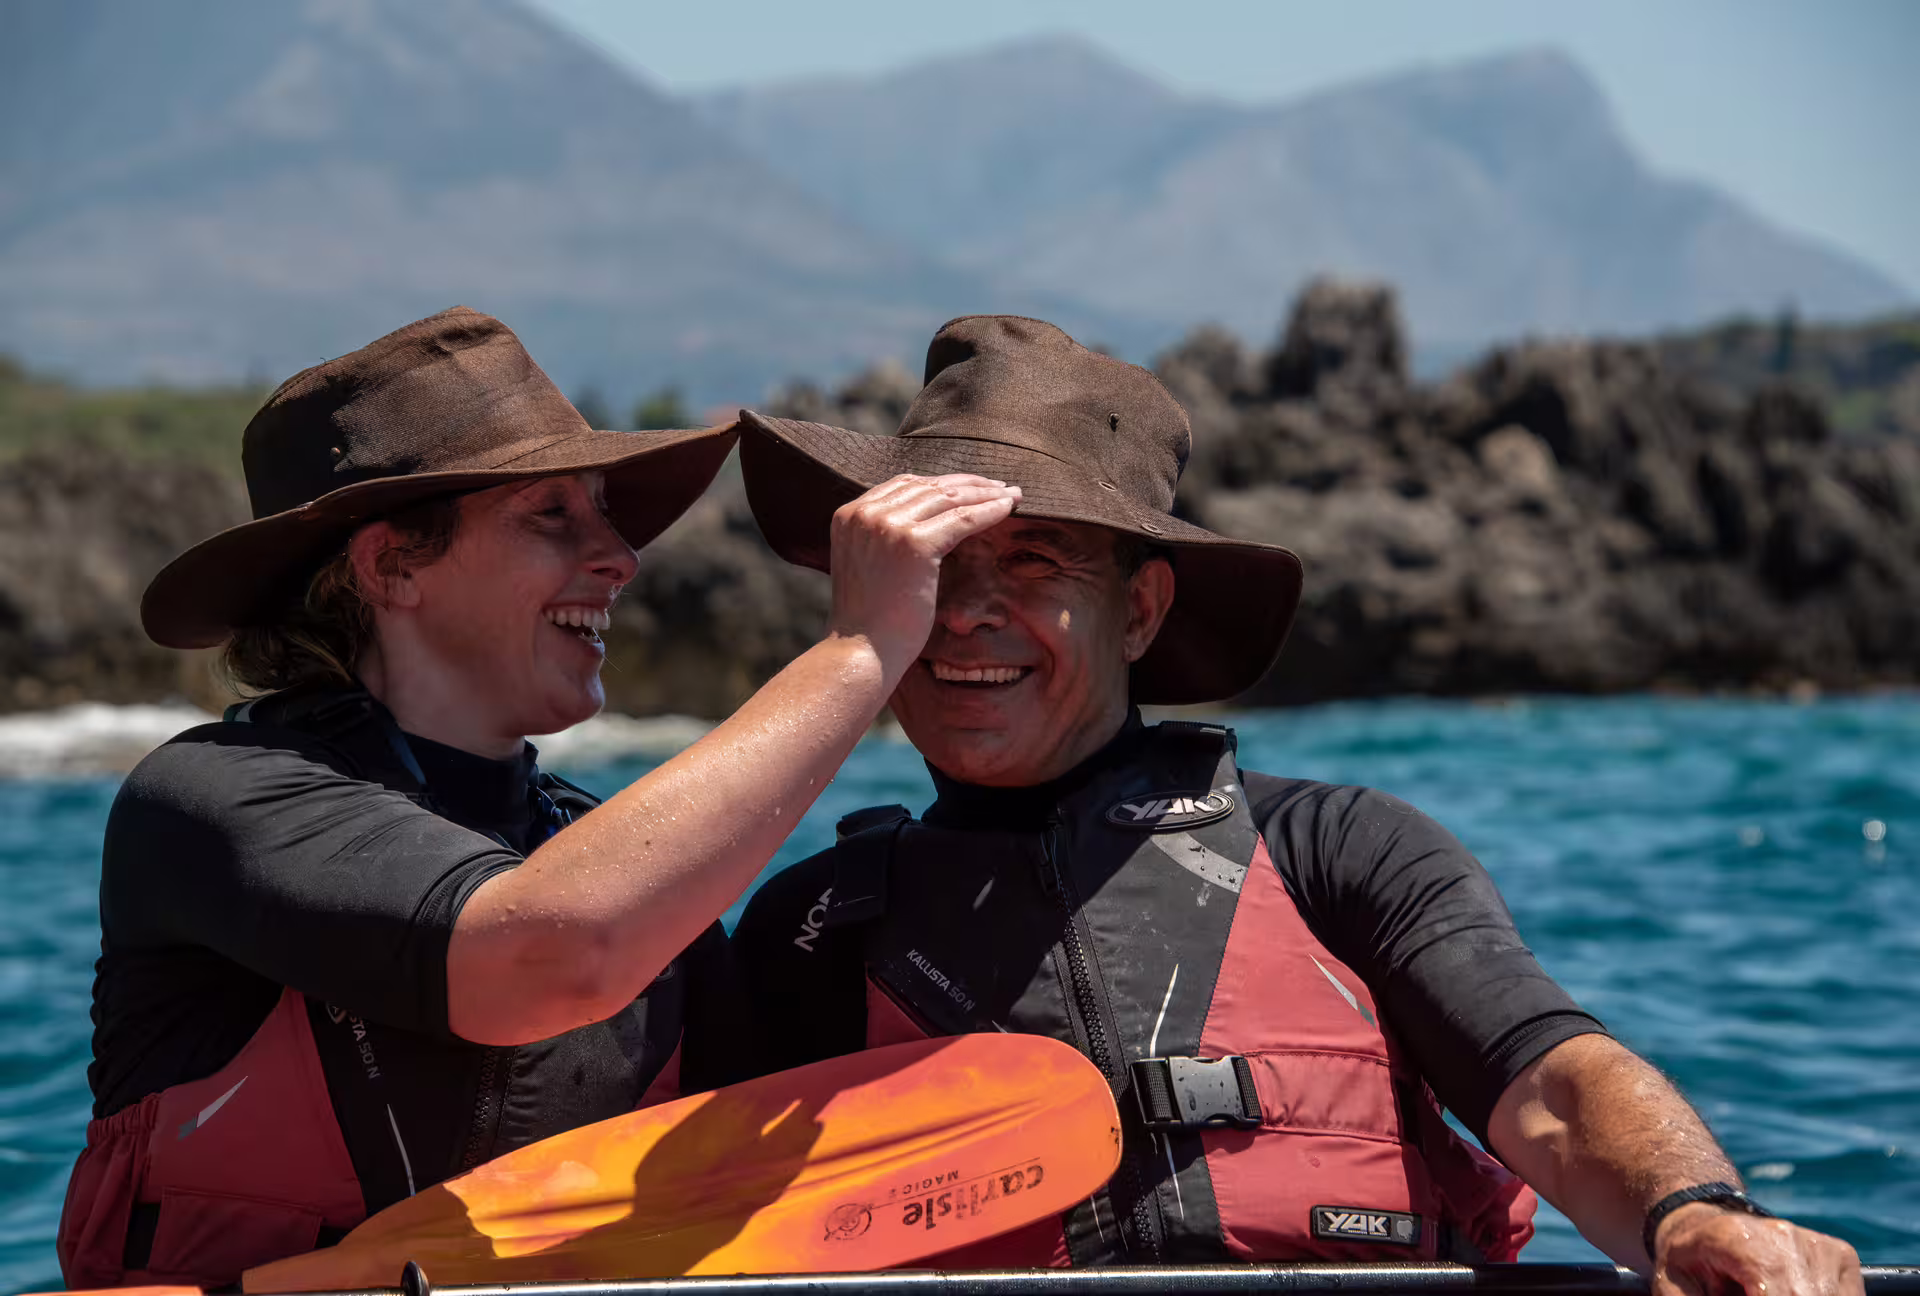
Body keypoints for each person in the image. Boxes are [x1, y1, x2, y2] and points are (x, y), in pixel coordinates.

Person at [727, 315, 1864, 1293]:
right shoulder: (815, 931)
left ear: (1138, 612)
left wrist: (1694, 1209)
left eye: (1036, 562)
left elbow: (1555, 1090)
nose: (971, 610)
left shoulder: (1339, 851)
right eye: (938, 561)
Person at [59, 307, 1022, 1290]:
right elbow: (545, 955)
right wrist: (859, 650)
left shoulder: (624, 874)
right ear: (390, 565)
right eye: (552, 515)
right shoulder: (210, 799)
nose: (620, 556)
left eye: (605, 514)